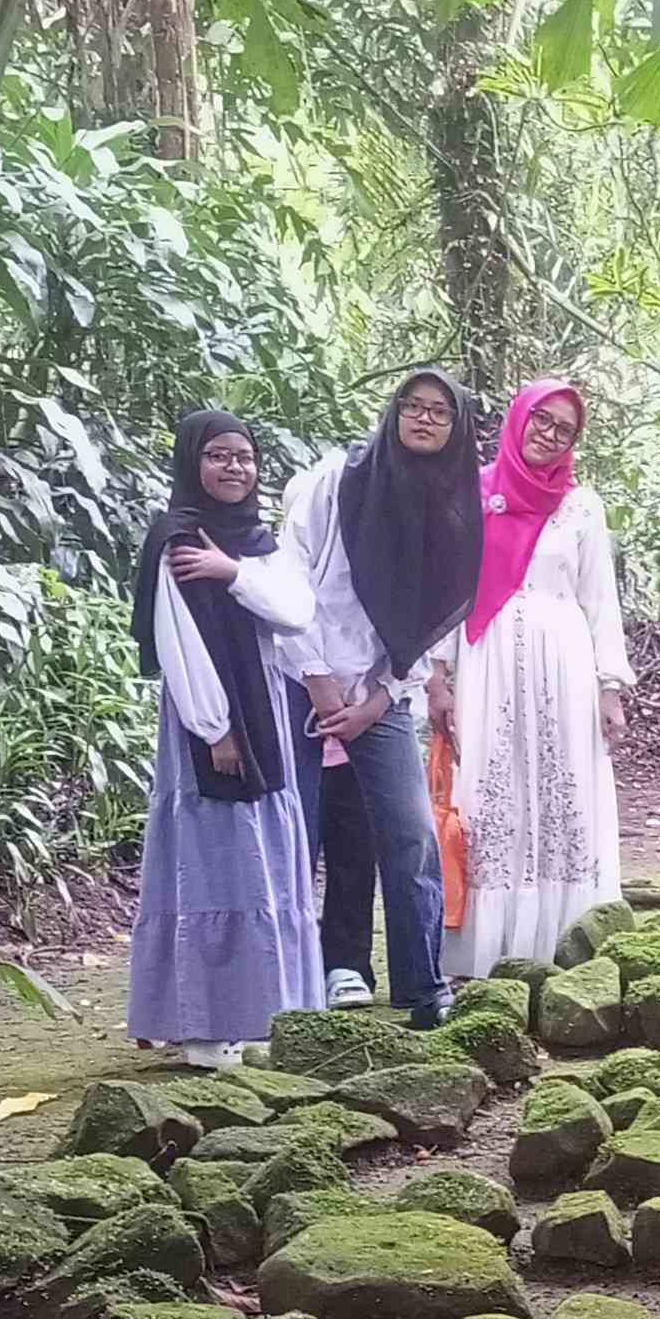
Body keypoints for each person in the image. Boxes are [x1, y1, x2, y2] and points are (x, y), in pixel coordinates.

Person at [276, 362, 485, 1028]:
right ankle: (285, 992)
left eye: (439, 412)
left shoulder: (447, 505)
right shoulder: (337, 479)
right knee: (293, 838)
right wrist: (315, 676)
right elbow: (289, 575)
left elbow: (426, 618)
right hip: (297, 680)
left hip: (379, 693)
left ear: (456, 429)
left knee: (410, 836)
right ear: (394, 413)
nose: (424, 419)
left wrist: (379, 695)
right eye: (413, 407)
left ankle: (424, 990)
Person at [127, 408, 321, 1066]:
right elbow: (177, 645)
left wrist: (233, 571)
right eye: (219, 456)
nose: (234, 468)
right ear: (192, 463)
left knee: (262, 858)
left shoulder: (256, 543)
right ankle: (207, 1030)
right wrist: (215, 732)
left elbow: (296, 612)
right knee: (211, 864)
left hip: (263, 707)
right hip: (206, 723)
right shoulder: (177, 539)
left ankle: (265, 1015)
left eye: (244, 456)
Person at [432, 376, 632, 978]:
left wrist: (610, 686)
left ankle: (570, 945)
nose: (549, 435)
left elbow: (601, 600)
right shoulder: (471, 491)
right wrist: (437, 675)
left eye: (564, 429)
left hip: (565, 665)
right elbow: (449, 588)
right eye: (542, 420)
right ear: (519, 418)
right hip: (486, 660)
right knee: (493, 791)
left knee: (563, 791)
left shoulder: (582, 505)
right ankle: (490, 951)